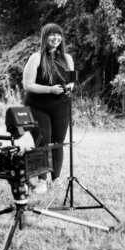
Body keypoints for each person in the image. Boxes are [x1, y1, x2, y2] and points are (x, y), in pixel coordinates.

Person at [23, 23, 74, 194]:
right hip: (38, 106)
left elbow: (73, 80)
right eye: (52, 34)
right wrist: (49, 90)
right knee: (43, 143)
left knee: (58, 143)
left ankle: (56, 179)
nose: (56, 38)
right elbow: (27, 85)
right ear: (45, 37)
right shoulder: (36, 57)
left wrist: (70, 87)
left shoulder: (68, 58)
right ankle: (41, 181)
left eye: (58, 35)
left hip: (61, 106)